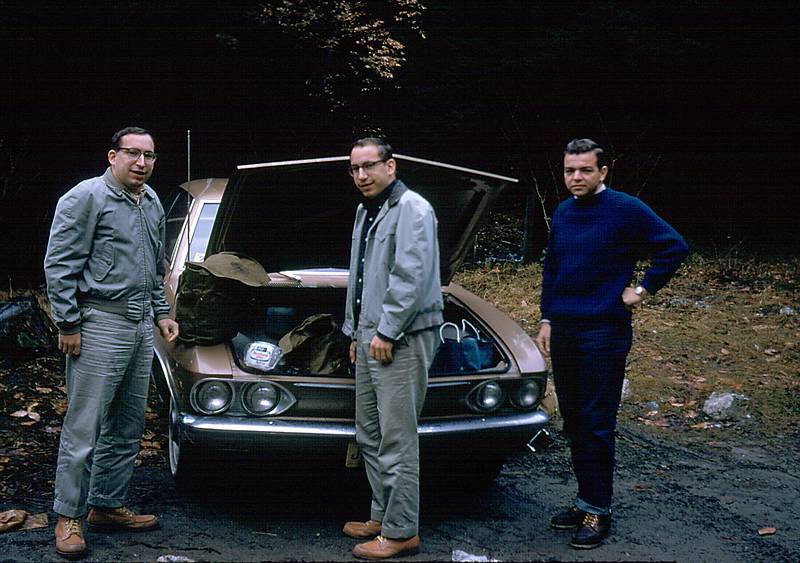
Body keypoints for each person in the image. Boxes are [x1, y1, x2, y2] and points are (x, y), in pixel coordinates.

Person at [535, 138, 688, 549]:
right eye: (570, 170)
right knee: (573, 419)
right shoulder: (564, 212)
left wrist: (642, 289)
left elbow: (674, 246)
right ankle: (585, 500)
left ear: (603, 172)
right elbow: (553, 268)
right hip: (565, 329)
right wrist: (547, 318)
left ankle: (598, 512)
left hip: (604, 332)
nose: (576, 177)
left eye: (585, 170)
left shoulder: (624, 208)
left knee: (597, 422)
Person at [44, 127, 179, 559]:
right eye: (133, 154)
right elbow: (60, 264)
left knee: (127, 423)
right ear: (112, 155)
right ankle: (69, 516)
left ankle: (106, 504)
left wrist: (161, 314)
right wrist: (68, 324)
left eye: (150, 156)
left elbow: (155, 265)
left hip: (140, 325)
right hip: (98, 322)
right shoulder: (86, 197)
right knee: (85, 427)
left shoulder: (152, 201)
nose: (142, 163)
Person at [341, 137, 443, 560]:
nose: (361, 175)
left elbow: (410, 278)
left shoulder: (413, 210)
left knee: (397, 438)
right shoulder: (369, 211)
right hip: (370, 335)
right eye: (354, 168)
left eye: (369, 166)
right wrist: (354, 332)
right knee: (370, 432)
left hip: (400, 337)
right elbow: (360, 278)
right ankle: (381, 515)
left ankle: (402, 532)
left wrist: (385, 332)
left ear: (391, 166)